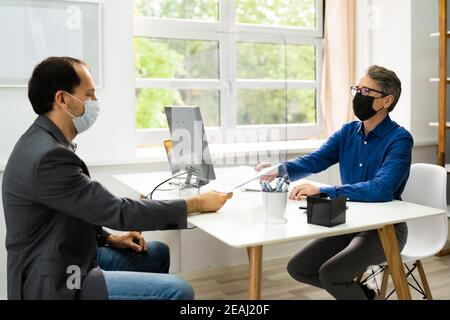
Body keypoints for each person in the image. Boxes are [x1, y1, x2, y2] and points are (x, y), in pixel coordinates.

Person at [2, 56, 232, 300]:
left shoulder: (43, 141)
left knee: (157, 253)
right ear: (63, 99)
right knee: (179, 290)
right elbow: (118, 211)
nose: (94, 102)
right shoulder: (49, 157)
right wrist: (195, 204)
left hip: (64, 254)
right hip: (54, 280)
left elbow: (76, 209)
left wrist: (110, 238)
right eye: (88, 94)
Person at [257, 65, 413, 300]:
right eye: (357, 89)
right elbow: (315, 160)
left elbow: (381, 189)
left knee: (331, 274)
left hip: (384, 230)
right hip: (349, 222)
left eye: (366, 92)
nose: (358, 96)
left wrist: (324, 190)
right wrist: (278, 170)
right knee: (299, 267)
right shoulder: (348, 132)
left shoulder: (399, 139)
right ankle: (364, 295)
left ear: (387, 100)